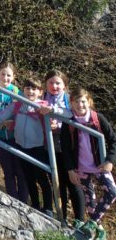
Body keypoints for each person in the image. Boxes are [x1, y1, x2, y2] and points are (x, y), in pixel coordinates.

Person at [0, 76, 55, 214]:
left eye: (34, 89)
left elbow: (55, 119)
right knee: (28, 178)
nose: (30, 91)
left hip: (38, 148)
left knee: (42, 179)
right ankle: (35, 206)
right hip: (21, 146)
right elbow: (0, 116)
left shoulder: (43, 108)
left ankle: (48, 208)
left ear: (40, 92)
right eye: (28, 88)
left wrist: (53, 120)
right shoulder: (17, 105)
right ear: (23, 90)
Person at [59, 89, 115, 240]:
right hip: (81, 168)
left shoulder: (98, 118)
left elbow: (113, 140)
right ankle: (99, 230)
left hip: (100, 166)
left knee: (112, 191)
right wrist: (70, 170)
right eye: (76, 102)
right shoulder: (69, 122)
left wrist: (110, 160)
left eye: (83, 101)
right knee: (91, 203)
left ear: (89, 102)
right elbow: (65, 148)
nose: (80, 105)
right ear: (71, 104)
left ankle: (91, 223)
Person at [0, 63, 28, 202]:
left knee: (21, 171)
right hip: (0, 138)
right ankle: (13, 201)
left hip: (16, 138)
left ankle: (23, 202)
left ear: (14, 77)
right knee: (8, 171)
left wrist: (13, 122)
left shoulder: (18, 93)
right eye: (2, 74)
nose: (5, 78)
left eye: (9, 75)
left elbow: (24, 113)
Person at [43, 69, 72, 221]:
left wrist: (55, 117)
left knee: (67, 181)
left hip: (65, 144)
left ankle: (71, 217)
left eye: (58, 83)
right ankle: (60, 214)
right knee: (55, 179)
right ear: (46, 84)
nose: (54, 86)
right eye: (51, 83)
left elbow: (70, 114)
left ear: (64, 85)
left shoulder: (69, 98)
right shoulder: (42, 96)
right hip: (47, 143)